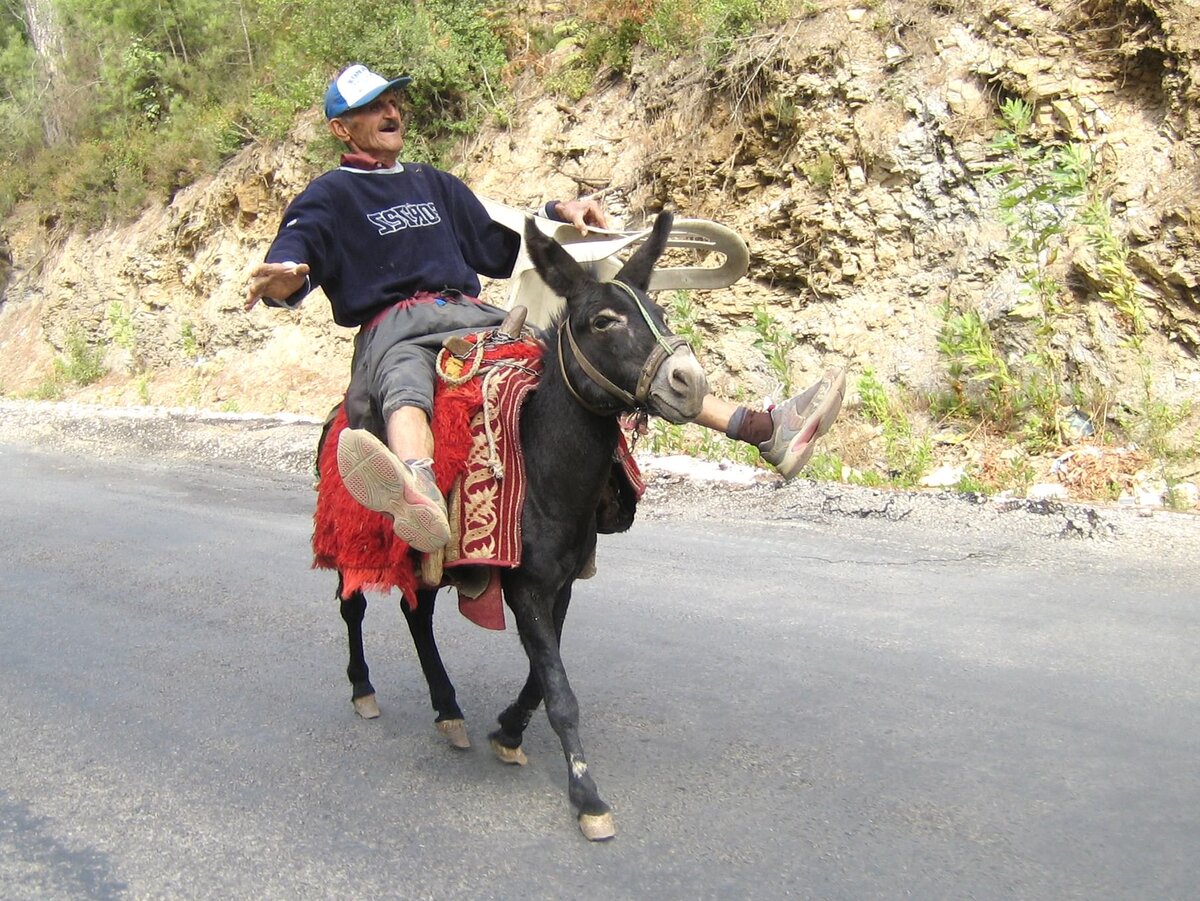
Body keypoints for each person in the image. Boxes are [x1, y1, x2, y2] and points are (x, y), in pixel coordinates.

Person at [246, 64, 844, 554]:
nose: (390, 112)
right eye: (372, 107)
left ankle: (762, 429)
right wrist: (284, 278)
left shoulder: (435, 184)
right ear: (341, 130)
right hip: (395, 326)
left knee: (586, 360)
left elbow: (505, 239)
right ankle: (419, 494)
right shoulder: (327, 196)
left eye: (392, 100)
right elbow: (293, 260)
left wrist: (561, 213)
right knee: (405, 384)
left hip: (473, 316)